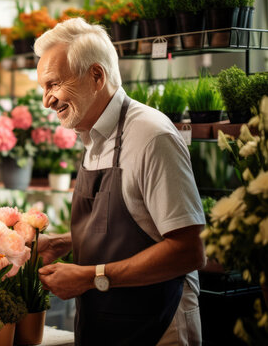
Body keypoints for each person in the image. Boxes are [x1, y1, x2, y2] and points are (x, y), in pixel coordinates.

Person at [35, 18, 206, 345]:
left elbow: (189, 250)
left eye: (54, 84)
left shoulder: (151, 136)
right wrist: (62, 243)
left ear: (96, 76)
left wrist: (90, 276)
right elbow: (134, 223)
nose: (47, 100)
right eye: (44, 88)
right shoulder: (92, 136)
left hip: (158, 327)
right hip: (105, 325)